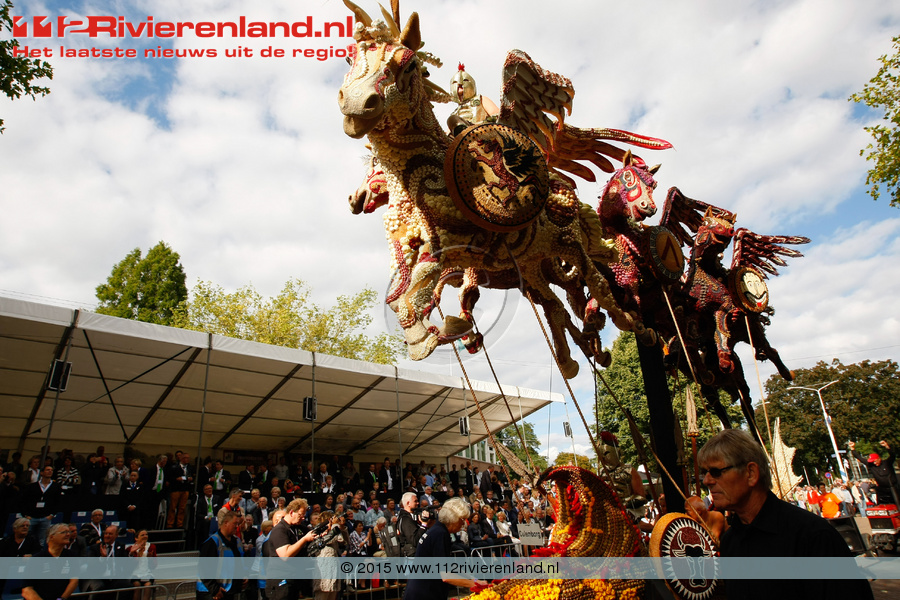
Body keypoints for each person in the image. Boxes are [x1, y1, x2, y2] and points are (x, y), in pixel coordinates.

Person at [698, 429, 872, 599]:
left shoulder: (812, 537)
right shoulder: (731, 542)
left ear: (751, 473)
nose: (707, 481)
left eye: (716, 472)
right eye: (704, 473)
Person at [403, 497, 487, 599]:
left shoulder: (439, 530)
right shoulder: (440, 534)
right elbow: (446, 576)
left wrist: (474, 579)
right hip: (423, 593)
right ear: (453, 519)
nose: (463, 523)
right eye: (462, 519)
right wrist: (475, 584)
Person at [263, 498, 319, 600]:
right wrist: (304, 539)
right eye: (301, 515)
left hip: (294, 578)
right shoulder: (279, 530)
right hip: (281, 580)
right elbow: (285, 555)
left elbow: (314, 533)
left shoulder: (298, 527)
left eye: (304, 515)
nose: (303, 518)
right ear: (292, 512)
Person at [21, 524, 78, 600]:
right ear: (51, 537)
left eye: (68, 532)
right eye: (63, 532)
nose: (68, 534)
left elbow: (74, 580)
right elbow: (26, 590)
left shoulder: (71, 555)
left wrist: (62, 598)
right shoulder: (36, 559)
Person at [197, 511, 245, 600]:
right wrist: (214, 590)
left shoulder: (237, 541)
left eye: (238, 524)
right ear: (226, 523)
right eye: (235, 523)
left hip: (228, 591)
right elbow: (204, 569)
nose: (237, 526)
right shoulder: (212, 542)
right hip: (210, 593)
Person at [849, 440, 899, 505]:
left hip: (893, 488)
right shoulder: (871, 465)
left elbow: (892, 456)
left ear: (879, 459)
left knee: (898, 503)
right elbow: (859, 457)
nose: (874, 463)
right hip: (882, 489)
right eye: (872, 462)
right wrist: (852, 448)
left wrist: (887, 446)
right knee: (882, 505)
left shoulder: (887, 463)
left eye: (875, 461)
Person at [127, 530, 157, 600]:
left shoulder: (152, 547)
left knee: (148, 585)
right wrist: (138, 557)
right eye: (142, 535)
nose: (145, 536)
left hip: (147, 573)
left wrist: (150, 559)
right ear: (136, 538)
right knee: (137, 585)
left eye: (146, 534)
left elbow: (154, 566)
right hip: (134, 573)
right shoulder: (130, 548)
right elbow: (128, 566)